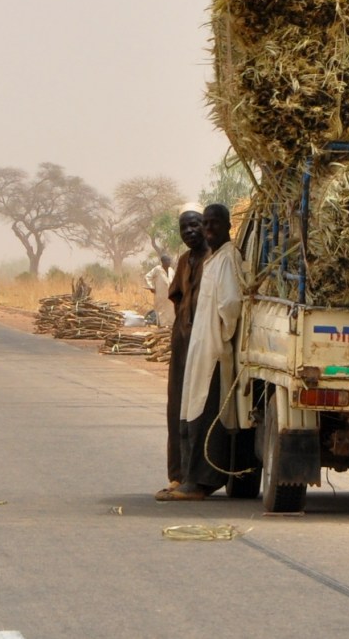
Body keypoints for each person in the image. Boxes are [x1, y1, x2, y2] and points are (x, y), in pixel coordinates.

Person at [173, 204, 246, 500]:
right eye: (206, 223)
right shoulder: (213, 259)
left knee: (207, 414)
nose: (209, 229)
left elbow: (230, 305)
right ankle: (190, 478)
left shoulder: (228, 257)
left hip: (214, 349)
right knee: (194, 409)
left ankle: (202, 482)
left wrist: (222, 337)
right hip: (202, 346)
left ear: (228, 225)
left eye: (214, 223)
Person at [156, 210, 207, 500]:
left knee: (200, 409)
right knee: (177, 405)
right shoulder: (186, 261)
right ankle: (178, 475)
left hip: (205, 344)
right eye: (184, 227)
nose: (189, 231)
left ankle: (198, 478)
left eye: (194, 225)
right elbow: (177, 296)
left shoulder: (215, 259)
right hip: (182, 341)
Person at [145, 253, 175, 328]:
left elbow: (175, 280)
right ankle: (161, 325)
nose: (169, 262)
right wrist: (151, 287)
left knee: (170, 310)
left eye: (169, 260)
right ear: (163, 262)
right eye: (167, 260)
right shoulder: (157, 269)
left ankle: (170, 325)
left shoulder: (171, 270)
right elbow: (147, 277)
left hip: (170, 294)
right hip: (160, 294)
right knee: (160, 309)